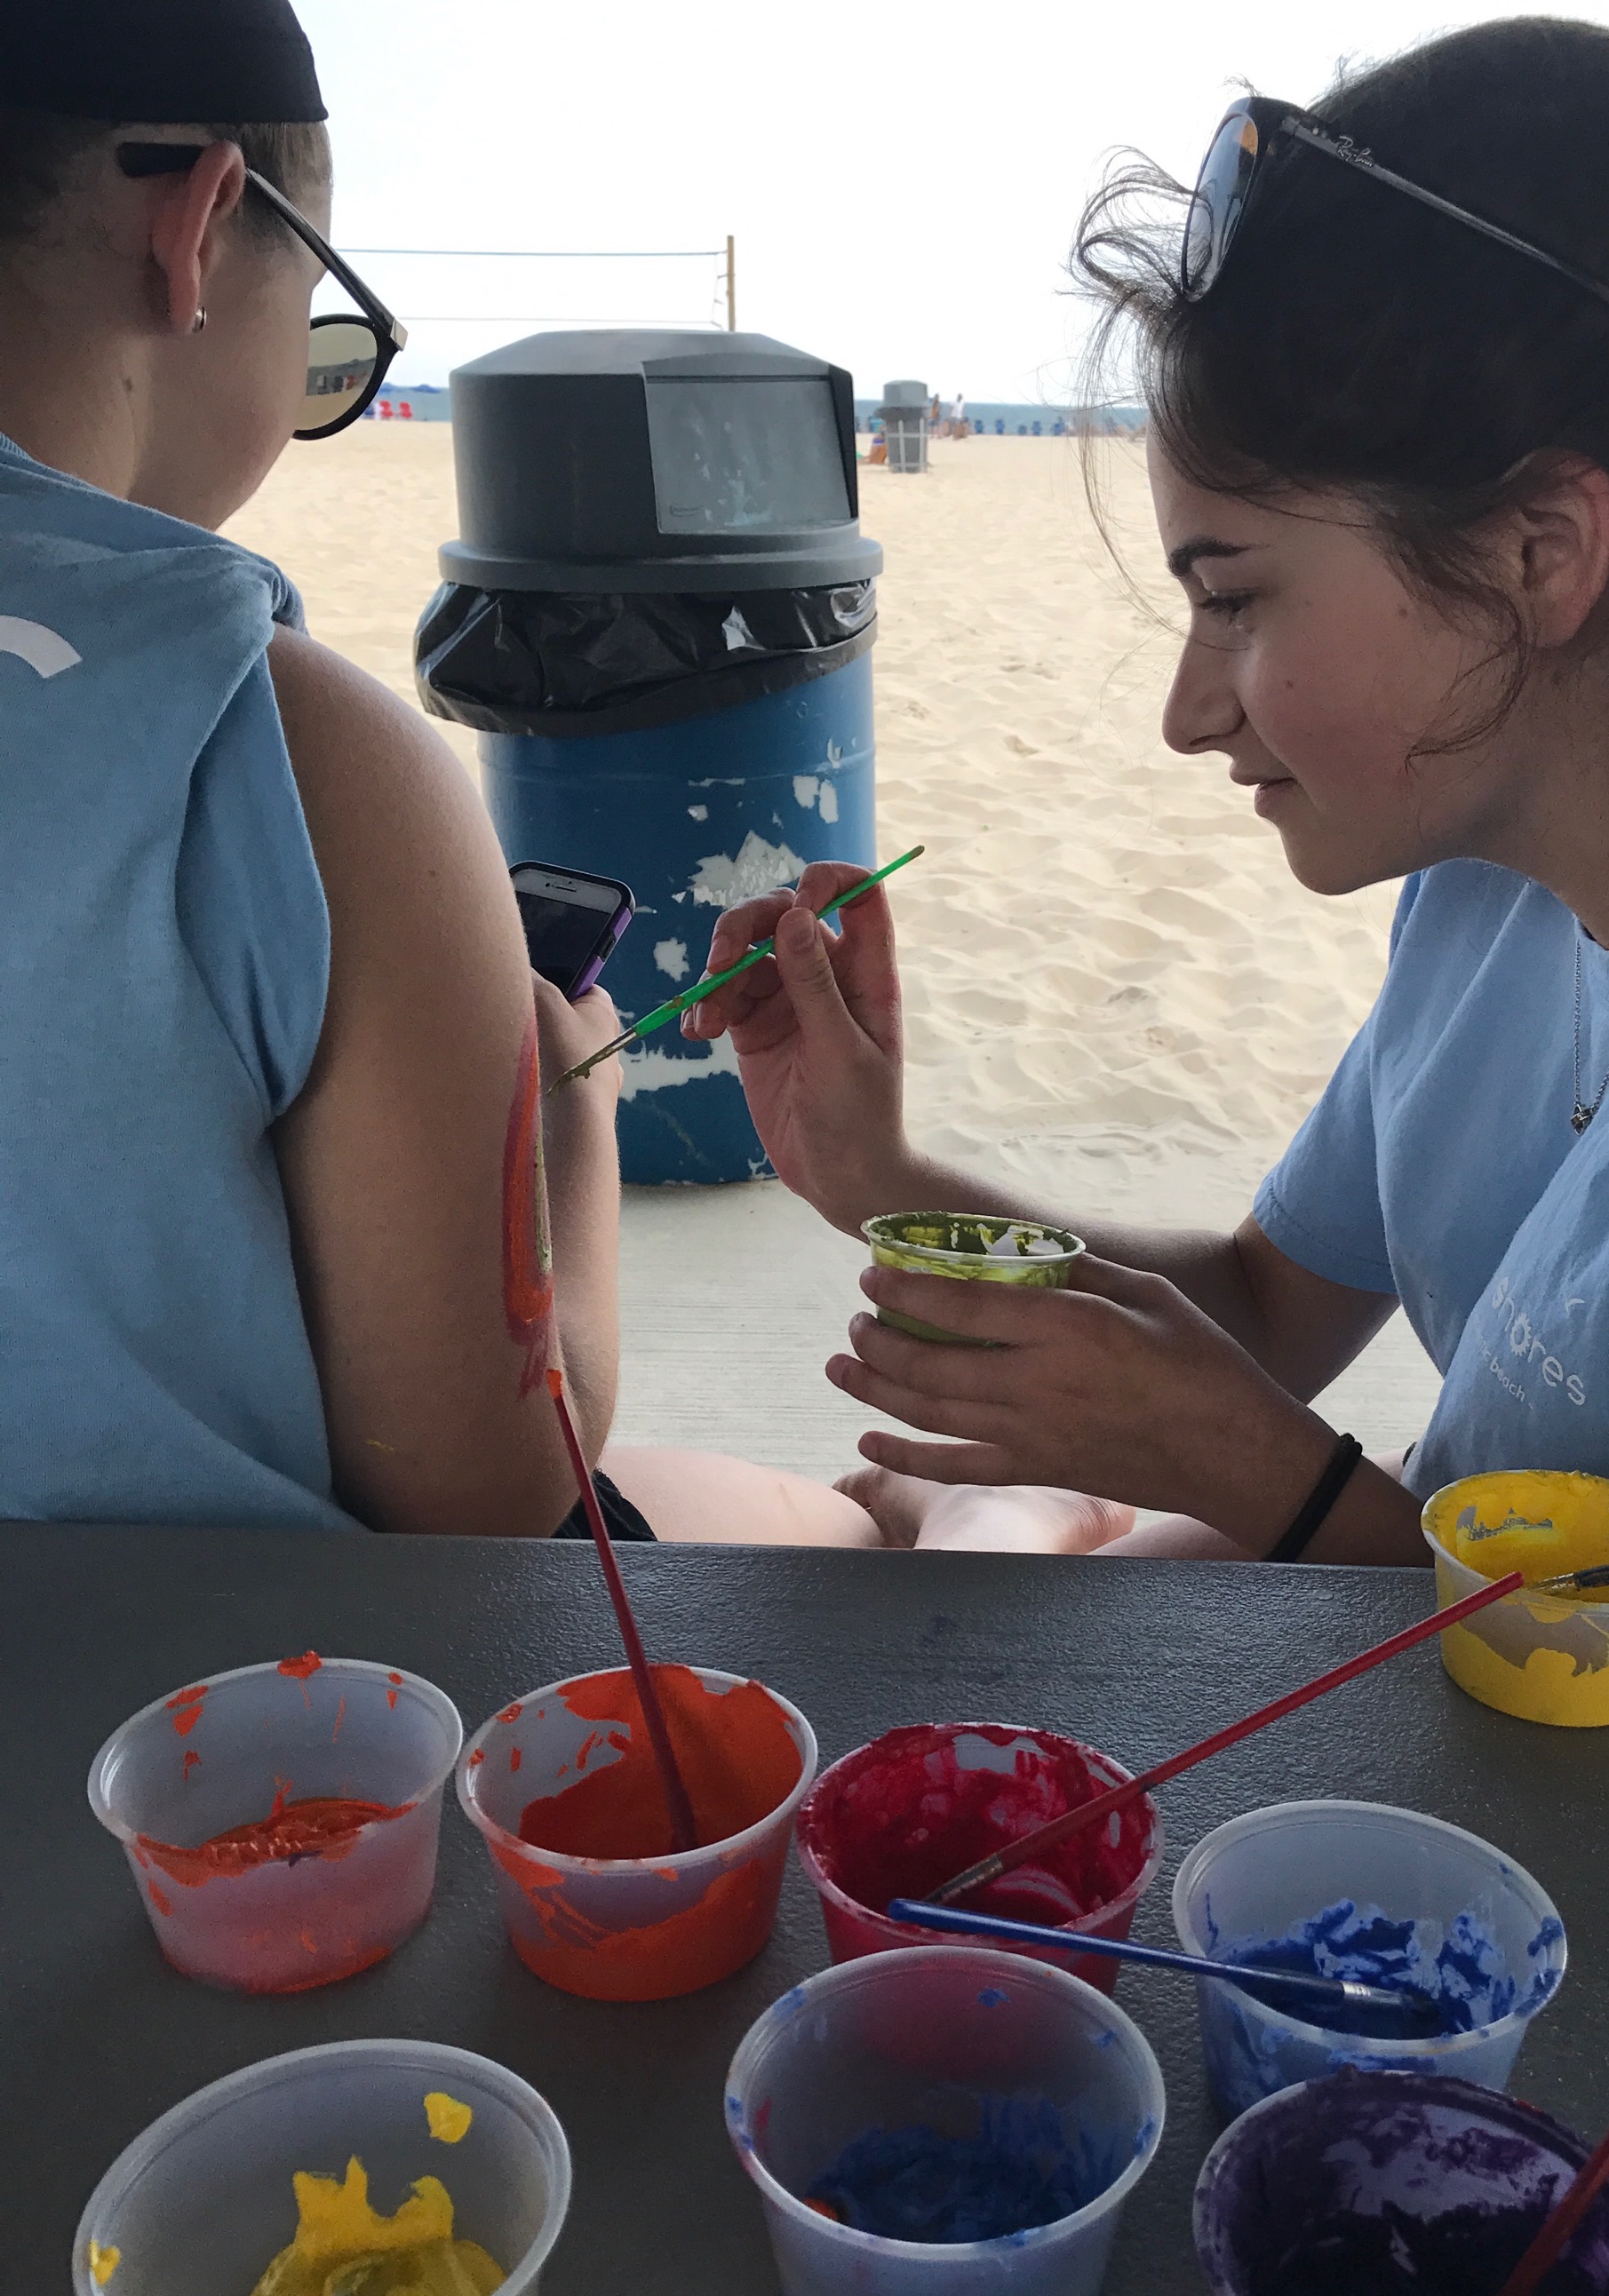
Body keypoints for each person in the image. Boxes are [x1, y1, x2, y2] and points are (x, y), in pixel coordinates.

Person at [686, 7, 1609, 1627]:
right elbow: (1265, 1307)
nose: (1187, 713)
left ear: (1538, 557)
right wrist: (875, 1173)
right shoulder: (1501, 876)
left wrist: (1260, 1478)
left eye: (1234, 599)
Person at [0, 0, 1132, 1553]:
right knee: (854, 1537)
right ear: (195, 226)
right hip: (248, 1683)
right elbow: (493, 1491)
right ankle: (968, 1516)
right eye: (323, 312)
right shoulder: (287, 755)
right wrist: (568, 1116)